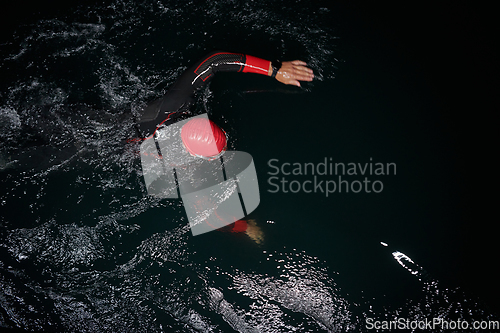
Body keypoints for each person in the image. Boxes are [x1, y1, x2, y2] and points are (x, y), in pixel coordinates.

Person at [135, 51, 314, 237]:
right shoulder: (184, 165)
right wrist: (244, 228)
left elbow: (214, 61)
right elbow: (207, 216)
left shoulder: (176, 103)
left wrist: (274, 69)